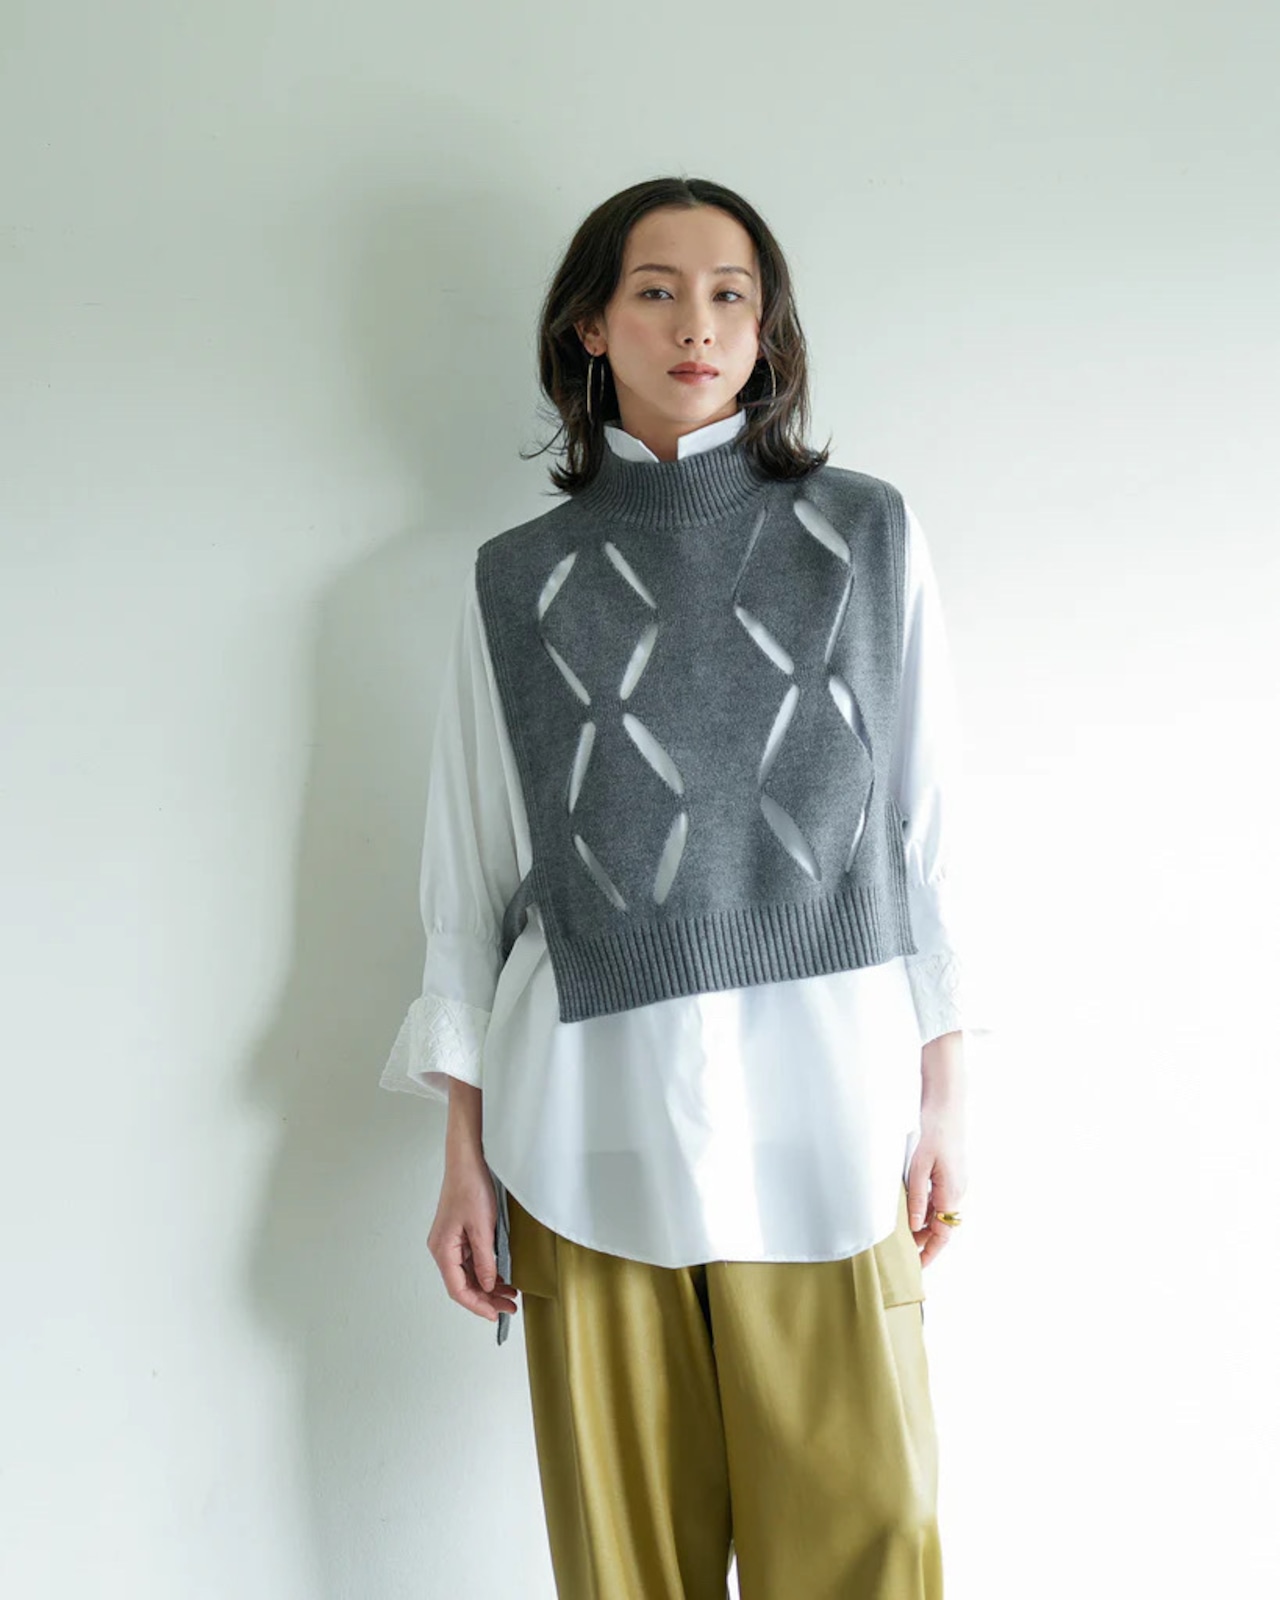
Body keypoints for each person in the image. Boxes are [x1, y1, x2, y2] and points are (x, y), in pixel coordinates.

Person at [380, 174, 991, 1600]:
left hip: (828, 1115)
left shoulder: (867, 535)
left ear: (768, 330)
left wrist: (946, 1095)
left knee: (866, 1544)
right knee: (627, 1570)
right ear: (591, 326)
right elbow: (472, 883)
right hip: (588, 1122)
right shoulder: (515, 581)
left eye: (730, 294)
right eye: (655, 291)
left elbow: (930, 834)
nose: (696, 325)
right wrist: (464, 1153)